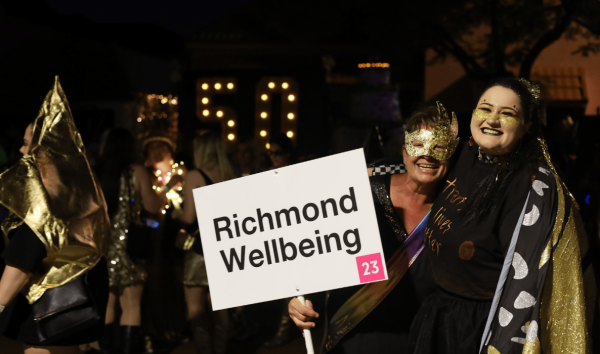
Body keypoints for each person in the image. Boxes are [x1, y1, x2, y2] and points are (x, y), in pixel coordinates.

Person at [409, 77, 597, 353]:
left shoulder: (533, 188)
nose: (492, 120)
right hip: (437, 316)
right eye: (485, 109)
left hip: (484, 329)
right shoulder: (463, 155)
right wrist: (370, 174)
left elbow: (530, 282)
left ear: (526, 127)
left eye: (507, 113)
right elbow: (412, 166)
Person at [288, 102, 460, 353]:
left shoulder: (455, 210)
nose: (428, 154)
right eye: (419, 145)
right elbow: (310, 249)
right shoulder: (358, 193)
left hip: (417, 342)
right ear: (404, 152)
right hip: (355, 337)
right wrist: (295, 299)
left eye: (440, 147)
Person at [0, 77, 110, 353]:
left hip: (44, 315)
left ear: (44, 153)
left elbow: (21, 262)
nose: (21, 151)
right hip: (73, 310)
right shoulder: (82, 195)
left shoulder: (42, 201)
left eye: (27, 145)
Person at [96, 128, 182, 354]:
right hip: (129, 248)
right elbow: (152, 206)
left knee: (108, 305)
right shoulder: (136, 171)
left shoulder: (98, 172)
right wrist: (167, 188)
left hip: (103, 247)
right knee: (132, 306)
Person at [178, 132, 234, 354]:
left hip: (200, 248)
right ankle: (220, 350)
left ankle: (204, 350)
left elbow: (190, 218)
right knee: (219, 305)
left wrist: (175, 214)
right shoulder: (228, 173)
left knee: (195, 305)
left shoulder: (195, 175)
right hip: (223, 246)